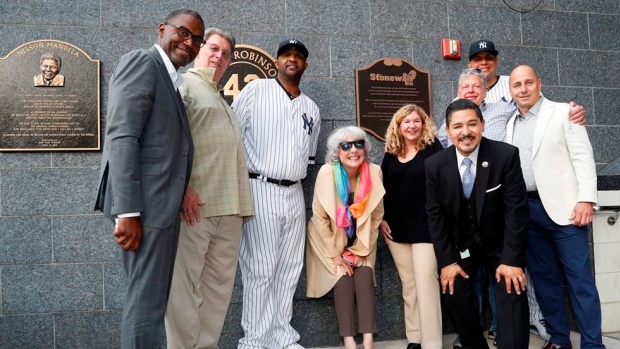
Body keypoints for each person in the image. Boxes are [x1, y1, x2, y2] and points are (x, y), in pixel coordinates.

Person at [94, 8, 204, 348]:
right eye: (184, 33)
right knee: (145, 304)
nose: (189, 43)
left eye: (197, 40)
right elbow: (123, 137)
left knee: (151, 303)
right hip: (146, 209)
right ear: (162, 29)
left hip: (160, 209)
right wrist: (127, 212)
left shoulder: (169, 78)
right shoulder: (143, 63)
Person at [164, 28, 255, 349]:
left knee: (217, 290)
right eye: (214, 48)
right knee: (183, 288)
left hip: (231, 209)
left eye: (226, 53)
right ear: (200, 49)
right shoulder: (182, 85)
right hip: (195, 207)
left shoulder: (220, 97)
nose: (219, 56)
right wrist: (182, 188)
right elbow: (165, 142)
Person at [506, 65, 605, 349]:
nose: (523, 89)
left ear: (540, 83)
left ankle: (593, 344)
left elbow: (583, 158)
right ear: (511, 91)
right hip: (529, 212)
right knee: (545, 281)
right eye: (517, 85)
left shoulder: (564, 112)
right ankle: (560, 340)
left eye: (528, 83)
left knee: (580, 282)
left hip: (567, 213)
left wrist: (586, 198)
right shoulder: (512, 122)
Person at [232, 38, 320, 349]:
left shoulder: (311, 107)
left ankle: (282, 337)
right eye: (286, 55)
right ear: (277, 61)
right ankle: (255, 341)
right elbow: (233, 137)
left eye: (298, 55)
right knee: (260, 270)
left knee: (289, 268)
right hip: (259, 186)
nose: (292, 59)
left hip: (294, 191)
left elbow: (308, 158)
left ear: (305, 64)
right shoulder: (256, 90)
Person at [425, 99, 530, 349]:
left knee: (512, 287)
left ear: (482, 125)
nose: (466, 132)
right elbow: (435, 216)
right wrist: (448, 263)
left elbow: (516, 210)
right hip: (463, 246)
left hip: (500, 244)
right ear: (448, 131)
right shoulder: (435, 165)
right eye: (458, 126)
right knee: (453, 290)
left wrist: (512, 261)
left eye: (472, 124)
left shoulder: (505, 155)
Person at [306, 126, 385, 349]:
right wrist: (336, 254)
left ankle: (368, 340)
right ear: (337, 151)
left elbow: (377, 216)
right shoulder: (327, 173)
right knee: (342, 277)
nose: (353, 150)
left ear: (365, 149)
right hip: (327, 240)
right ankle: (349, 341)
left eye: (359, 144)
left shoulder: (374, 172)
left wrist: (360, 252)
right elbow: (320, 218)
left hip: (362, 242)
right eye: (346, 145)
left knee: (364, 277)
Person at [380, 104, 443, 349]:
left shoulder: (433, 149)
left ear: (423, 124)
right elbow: (382, 189)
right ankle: (415, 338)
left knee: (426, 281)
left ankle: (432, 343)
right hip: (396, 229)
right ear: (398, 125)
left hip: (425, 227)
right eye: (406, 122)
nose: (412, 125)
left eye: (417, 121)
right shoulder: (391, 152)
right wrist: (381, 219)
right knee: (409, 284)